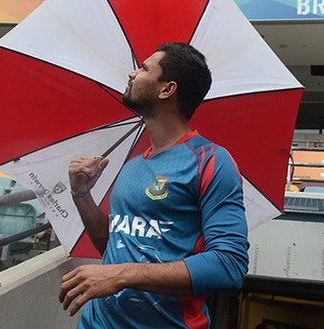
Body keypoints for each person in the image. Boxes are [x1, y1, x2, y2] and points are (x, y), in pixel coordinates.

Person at [59, 42, 249, 329]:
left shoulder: (212, 161)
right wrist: (82, 196)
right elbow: (115, 245)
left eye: (145, 68)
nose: (133, 74)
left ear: (166, 89)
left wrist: (122, 275)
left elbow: (229, 265)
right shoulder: (132, 165)